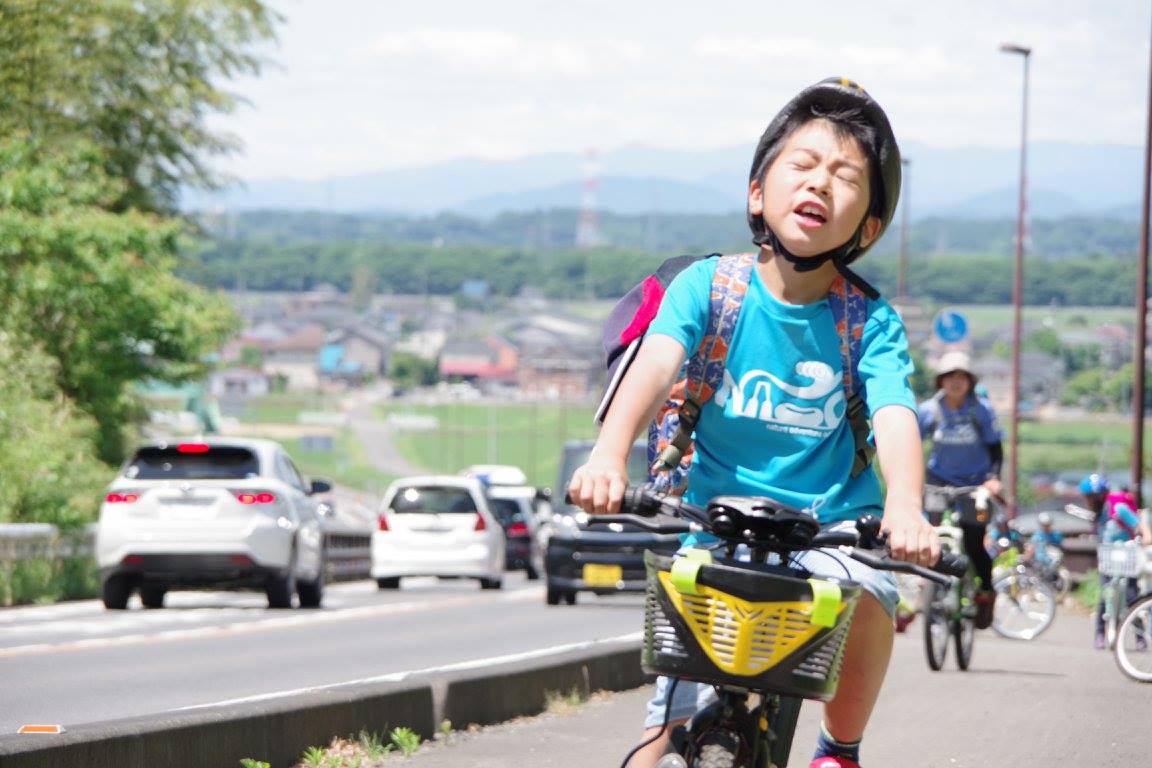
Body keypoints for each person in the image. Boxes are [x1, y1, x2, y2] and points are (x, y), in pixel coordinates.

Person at [569, 78, 936, 768]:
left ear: (869, 228)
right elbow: (654, 367)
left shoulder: (870, 323)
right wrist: (608, 457)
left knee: (864, 595)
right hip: (716, 520)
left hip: (831, 527)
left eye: (845, 177)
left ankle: (840, 748)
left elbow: (894, 414)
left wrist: (907, 506)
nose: (819, 184)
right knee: (661, 739)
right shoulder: (709, 288)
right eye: (802, 165)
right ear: (756, 194)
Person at [917, 351, 1003, 629]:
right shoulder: (930, 410)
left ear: (969, 381)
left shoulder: (982, 410)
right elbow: (912, 444)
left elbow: (995, 448)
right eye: (949, 377)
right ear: (940, 381)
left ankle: (985, 593)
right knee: (931, 536)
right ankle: (932, 590)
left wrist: (994, 478)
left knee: (974, 542)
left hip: (975, 485)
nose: (955, 382)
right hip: (938, 482)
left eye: (961, 377)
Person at [1094, 486, 1152, 649]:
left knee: (1132, 597)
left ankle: (1139, 637)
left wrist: (1147, 535)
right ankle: (1100, 633)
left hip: (1127, 557)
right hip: (1108, 558)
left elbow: (1138, 523)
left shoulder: (1118, 507)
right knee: (1105, 596)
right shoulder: (1099, 513)